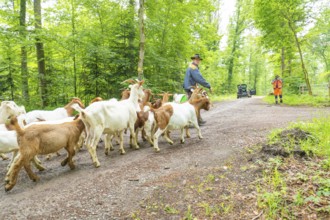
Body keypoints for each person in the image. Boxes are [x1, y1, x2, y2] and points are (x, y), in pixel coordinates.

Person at [183, 54, 212, 125]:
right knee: (193, 105)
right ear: (193, 60)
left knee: (195, 104)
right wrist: (208, 86)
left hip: (190, 87)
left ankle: (198, 119)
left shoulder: (192, 67)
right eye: (196, 59)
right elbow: (199, 79)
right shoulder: (193, 68)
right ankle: (190, 122)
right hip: (191, 87)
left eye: (198, 60)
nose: (198, 61)